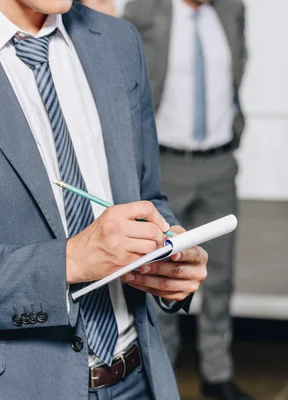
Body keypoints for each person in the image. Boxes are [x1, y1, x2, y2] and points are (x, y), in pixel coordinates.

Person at [0, 1, 209, 399]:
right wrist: (72, 261)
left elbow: (148, 194)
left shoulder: (117, 40)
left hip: (139, 373)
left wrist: (170, 254)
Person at [122, 1, 251, 399]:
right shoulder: (145, 10)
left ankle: (217, 374)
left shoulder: (230, 10)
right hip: (164, 163)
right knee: (164, 272)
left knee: (221, 277)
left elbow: (236, 72)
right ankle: (164, 375)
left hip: (219, 162)